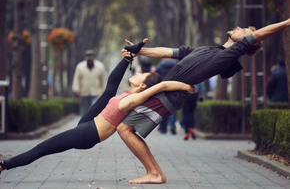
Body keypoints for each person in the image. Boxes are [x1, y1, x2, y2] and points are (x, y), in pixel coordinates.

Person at [117, 18, 290, 184]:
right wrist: (138, 51)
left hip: (169, 96)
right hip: (166, 94)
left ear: (249, 41)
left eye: (243, 31)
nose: (238, 27)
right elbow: (169, 52)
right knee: (127, 129)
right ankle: (156, 173)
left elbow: (259, 35)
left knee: (124, 129)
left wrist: (288, 22)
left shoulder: (229, 55)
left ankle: (153, 173)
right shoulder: (211, 49)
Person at [0, 39, 195, 175]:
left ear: (143, 86)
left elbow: (161, 85)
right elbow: (110, 88)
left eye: (140, 76)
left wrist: (186, 87)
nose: (135, 75)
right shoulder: (127, 94)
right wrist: (128, 57)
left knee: (42, 148)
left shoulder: (132, 100)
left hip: (88, 134)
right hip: (89, 123)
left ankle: (3, 166)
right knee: (107, 93)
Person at [72, 50, 106, 117]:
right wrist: (76, 90)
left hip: (96, 92)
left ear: (93, 57)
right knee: (84, 111)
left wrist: (104, 91)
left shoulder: (100, 66)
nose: (89, 59)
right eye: (88, 57)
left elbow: (103, 80)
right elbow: (77, 79)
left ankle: (93, 125)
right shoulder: (80, 67)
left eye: (91, 57)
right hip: (84, 92)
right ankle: (83, 126)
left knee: (94, 110)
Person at [155, 58, 178, 134]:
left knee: (164, 106)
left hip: (163, 87)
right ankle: (172, 125)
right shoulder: (175, 64)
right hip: (174, 87)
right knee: (173, 107)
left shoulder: (160, 65)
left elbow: (156, 77)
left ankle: (163, 128)